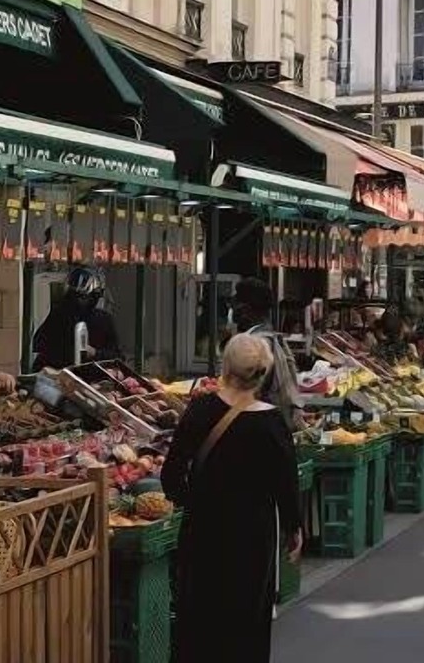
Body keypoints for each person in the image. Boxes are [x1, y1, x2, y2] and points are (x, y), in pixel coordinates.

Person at [161, 334, 301, 663]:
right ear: (263, 372)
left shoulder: (200, 409)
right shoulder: (271, 422)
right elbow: (286, 485)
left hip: (203, 530)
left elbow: (171, 475)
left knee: (198, 616)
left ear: (225, 366)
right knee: (246, 620)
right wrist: (294, 528)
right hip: (253, 536)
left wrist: (192, 500)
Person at [232, 278, 301, 428]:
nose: (232, 309)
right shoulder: (274, 339)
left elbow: (245, 394)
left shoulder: (255, 345)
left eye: (235, 303)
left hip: (259, 429)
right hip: (275, 428)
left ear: (245, 309)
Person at [31, 268, 122, 371]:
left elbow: (117, 356)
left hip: (90, 376)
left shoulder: (102, 320)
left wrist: (95, 353)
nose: (78, 301)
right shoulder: (59, 315)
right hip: (58, 375)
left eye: (83, 297)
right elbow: (39, 345)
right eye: (75, 296)